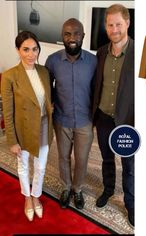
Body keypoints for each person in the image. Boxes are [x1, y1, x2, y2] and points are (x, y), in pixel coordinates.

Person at [1, 31, 53, 221]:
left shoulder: (44, 72)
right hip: (22, 129)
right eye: (26, 50)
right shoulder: (9, 76)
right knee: (23, 165)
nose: (31, 54)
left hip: (44, 126)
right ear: (18, 50)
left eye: (35, 49)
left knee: (40, 167)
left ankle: (36, 196)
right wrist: (12, 140)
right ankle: (26, 198)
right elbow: (8, 111)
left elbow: (47, 99)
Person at [45, 18, 97, 210]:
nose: (72, 37)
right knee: (63, 156)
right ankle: (66, 186)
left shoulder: (94, 61)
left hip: (85, 121)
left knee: (82, 158)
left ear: (83, 36)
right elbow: (47, 89)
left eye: (76, 33)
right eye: (67, 34)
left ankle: (77, 189)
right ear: (62, 36)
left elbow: (97, 89)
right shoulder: (52, 61)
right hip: (62, 119)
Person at [92, 4, 134, 227]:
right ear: (106, 27)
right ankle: (107, 190)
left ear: (127, 23)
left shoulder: (141, 53)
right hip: (104, 119)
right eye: (110, 25)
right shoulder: (100, 53)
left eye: (118, 24)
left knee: (129, 165)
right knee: (107, 159)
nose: (114, 29)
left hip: (128, 122)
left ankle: (131, 204)